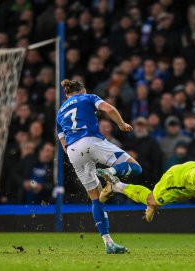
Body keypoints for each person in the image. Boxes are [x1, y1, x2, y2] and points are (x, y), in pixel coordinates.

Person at [56, 79, 142, 254]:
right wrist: (121, 124)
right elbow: (108, 108)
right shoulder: (88, 97)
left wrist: (79, 156)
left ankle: (108, 243)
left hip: (72, 149)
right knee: (135, 167)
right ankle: (110, 172)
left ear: (66, 94)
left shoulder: (59, 113)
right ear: (83, 89)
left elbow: (63, 142)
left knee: (96, 198)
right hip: (91, 140)